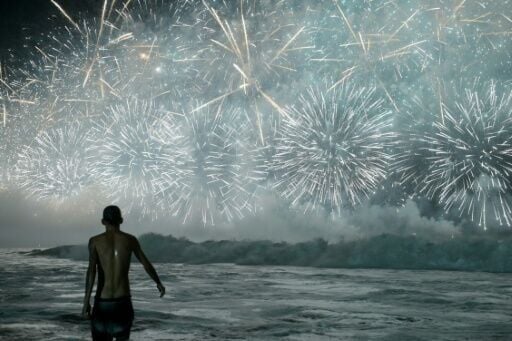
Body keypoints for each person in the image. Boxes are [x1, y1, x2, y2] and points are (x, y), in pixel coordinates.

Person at [81, 205, 165, 341]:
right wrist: (158, 283)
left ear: (103, 222)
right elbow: (146, 264)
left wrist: (85, 302)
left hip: (102, 303)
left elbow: (91, 272)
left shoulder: (95, 242)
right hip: (123, 302)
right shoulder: (130, 240)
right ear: (121, 220)